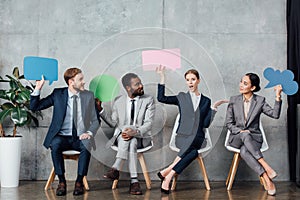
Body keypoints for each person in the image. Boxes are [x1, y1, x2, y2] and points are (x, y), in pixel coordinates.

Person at [156, 66, 227, 194]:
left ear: (198, 81)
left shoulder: (206, 101)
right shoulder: (181, 97)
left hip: (198, 137)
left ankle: (168, 172)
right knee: (194, 153)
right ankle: (168, 176)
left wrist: (214, 109)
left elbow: (205, 124)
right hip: (182, 137)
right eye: (188, 80)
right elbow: (161, 98)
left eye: (193, 79)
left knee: (194, 143)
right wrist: (162, 77)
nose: (190, 82)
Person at [30, 68, 100, 196]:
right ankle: (62, 182)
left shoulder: (88, 95)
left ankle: (79, 182)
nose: (84, 82)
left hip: (80, 138)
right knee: (55, 144)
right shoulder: (58, 94)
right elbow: (35, 107)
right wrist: (38, 88)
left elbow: (96, 121)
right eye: (81, 79)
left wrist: (89, 133)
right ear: (71, 82)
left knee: (87, 144)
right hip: (62, 137)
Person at [96, 73, 155, 195]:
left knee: (130, 133)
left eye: (140, 83)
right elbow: (113, 123)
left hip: (141, 137)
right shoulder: (119, 101)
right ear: (128, 88)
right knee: (130, 140)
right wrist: (100, 110)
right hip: (125, 138)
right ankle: (134, 182)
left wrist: (135, 132)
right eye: (137, 84)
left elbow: (148, 123)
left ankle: (115, 168)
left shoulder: (148, 100)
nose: (141, 86)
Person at [226, 72, 282, 196]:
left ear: (253, 88)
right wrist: (240, 131)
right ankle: (266, 166)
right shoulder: (233, 100)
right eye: (241, 81)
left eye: (245, 83)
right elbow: (229, 124)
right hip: (236, 137)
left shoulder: (260, 101)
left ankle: (267, 179)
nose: (241, 85)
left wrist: (278, 96)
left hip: (254, 139)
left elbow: (275, 114)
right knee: (245, 135)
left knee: (244, 152)